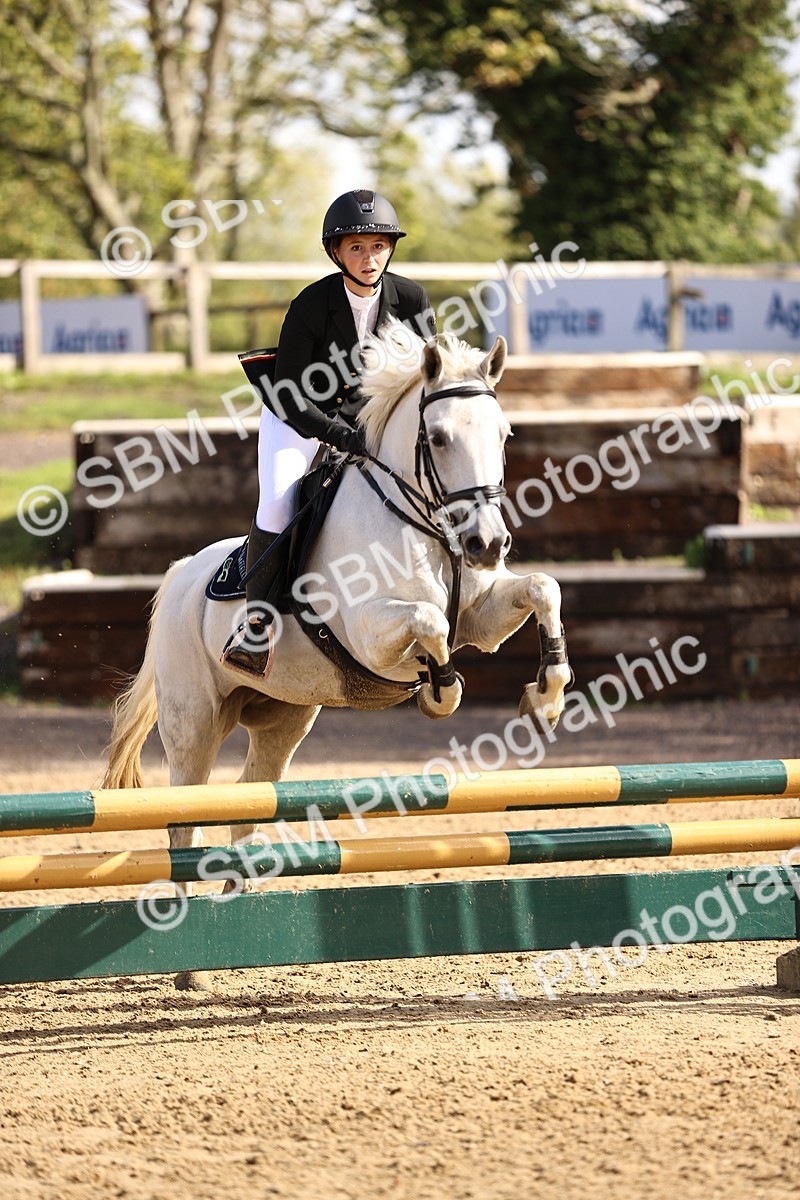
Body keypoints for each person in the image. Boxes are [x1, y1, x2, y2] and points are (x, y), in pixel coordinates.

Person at [221, 188, 437, 678]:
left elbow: (425, 378)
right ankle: (258, 625)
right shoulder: (311, 304)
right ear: (336, 252)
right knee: (278, 500)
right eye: (356, 247)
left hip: (369, 420)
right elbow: (294, 396)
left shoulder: (411, 298)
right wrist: (338, 436)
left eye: (378, 245)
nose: (369, 257)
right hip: (297, 418)